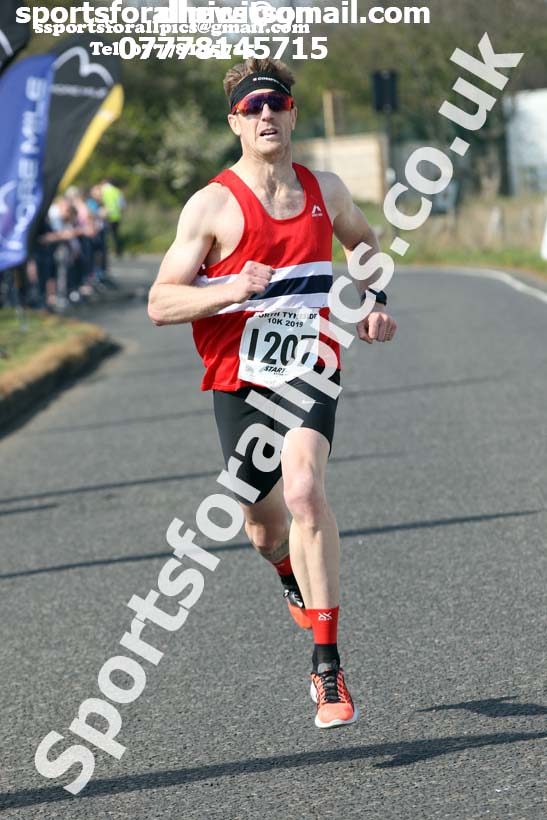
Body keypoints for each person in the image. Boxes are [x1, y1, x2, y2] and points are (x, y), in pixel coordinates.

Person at [148, 58, 397, 729]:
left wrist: (373, 298)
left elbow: (365, 245)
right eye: (253, 107)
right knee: (261, 524)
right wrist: (228, 288)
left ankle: (327, 668)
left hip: (309, 369)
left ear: (292, 116)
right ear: (234, 121)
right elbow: (160, 303)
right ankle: (287, 569)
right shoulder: (211, 205)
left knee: (304, 493)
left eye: (277, 106)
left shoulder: (326, 188)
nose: (266, 116)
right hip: (239, 379)